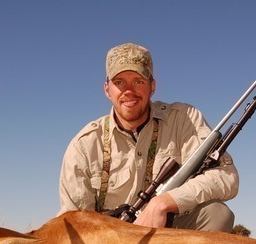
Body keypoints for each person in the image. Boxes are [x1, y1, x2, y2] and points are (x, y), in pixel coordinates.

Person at [58, 43, 238, 231]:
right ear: (107, 89)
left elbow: (226, 176)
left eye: (138, 81)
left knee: (217, 214)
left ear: (152, 86)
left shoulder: (184, 119)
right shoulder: (84, 144)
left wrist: (165, 202)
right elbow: (75, 221)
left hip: (168, 233)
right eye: (119, 82)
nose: (129, 90)